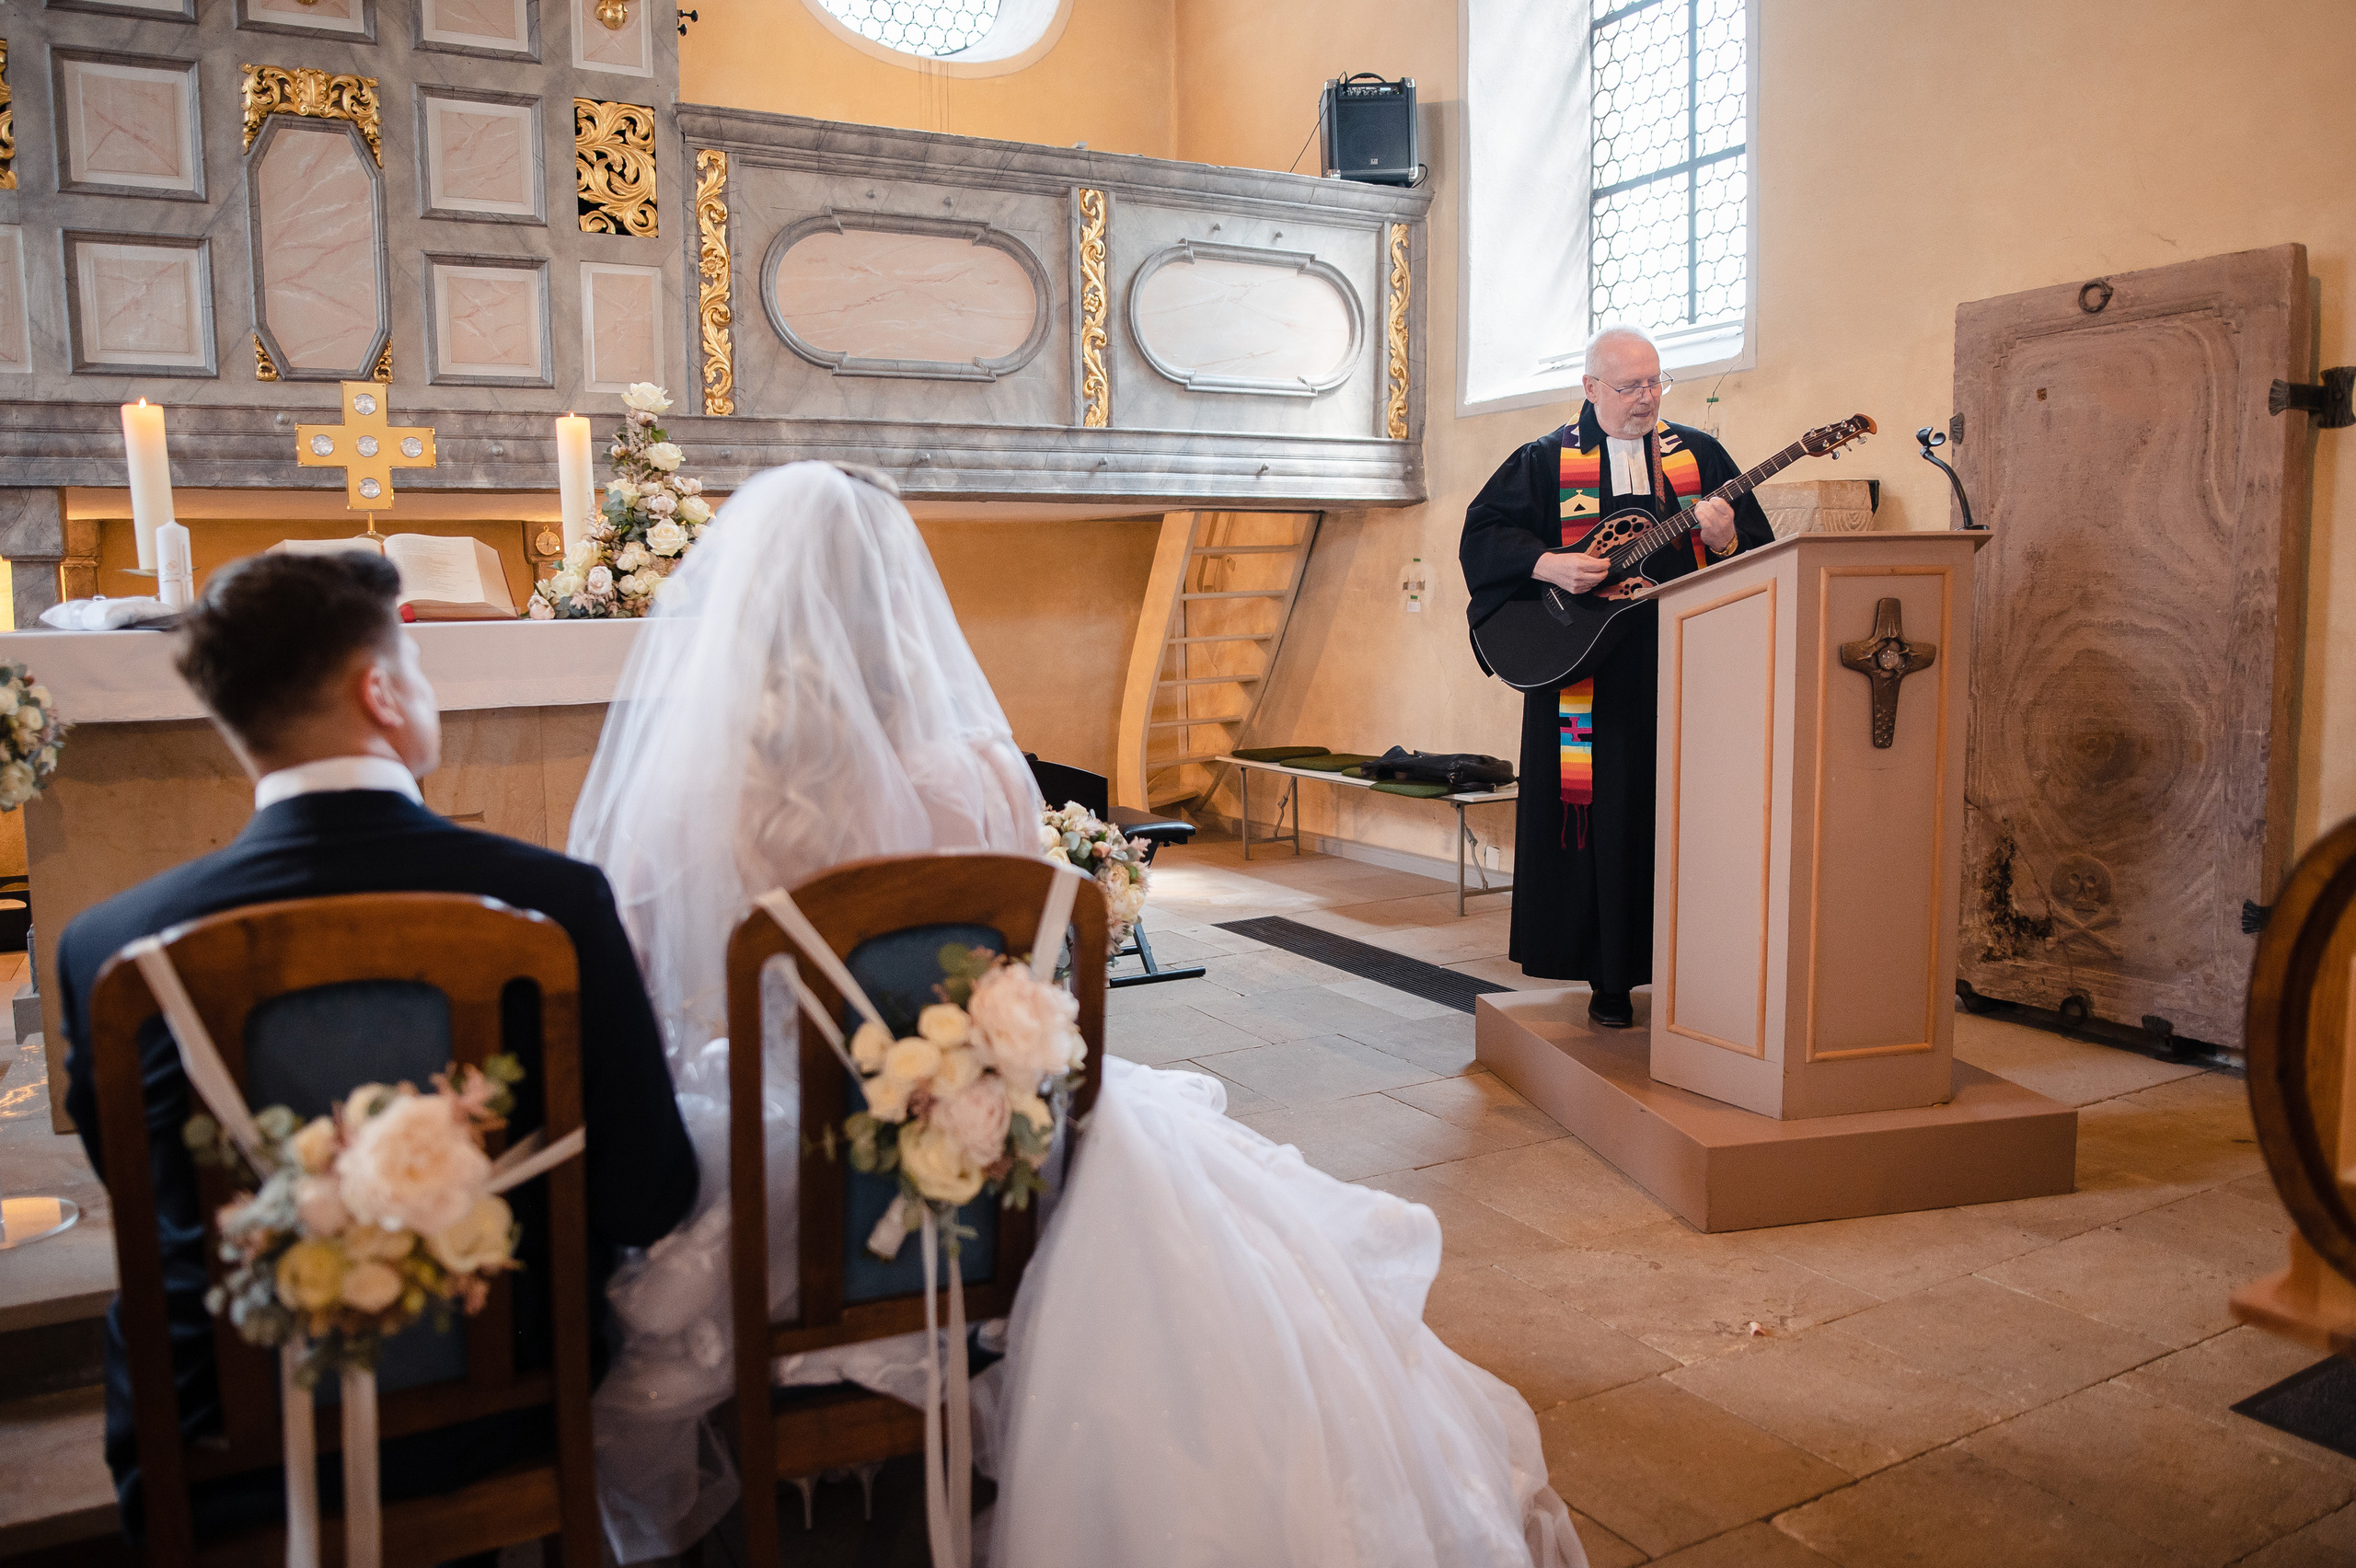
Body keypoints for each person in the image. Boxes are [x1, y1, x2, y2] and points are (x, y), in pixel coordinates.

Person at [571, 461, 1585, 1567]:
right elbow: (1033, 979)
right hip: (992, 1156)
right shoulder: (974, 772)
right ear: (903, 607)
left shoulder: (697, 795)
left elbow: (659, 1013)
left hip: (788, 1175)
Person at [56, 551, 699, 1548]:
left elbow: (146, 1192)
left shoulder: (106, 945)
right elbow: (646, 1192)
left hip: (220, 1423)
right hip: (507, 1406)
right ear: (381, 690)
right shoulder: (556, 902)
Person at [1460, 326, 1773, 1028]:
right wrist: (1548, 563)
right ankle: (1608, 981)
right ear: (1590, 389)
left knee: (1685, 819)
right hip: (1584, 678)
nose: (1646, 399)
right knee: (1601, 823)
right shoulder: (1543, 462)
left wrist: (1727, 539)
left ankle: (1696, 970)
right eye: (1629, 387)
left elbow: (1759, 551)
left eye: (1656, 383)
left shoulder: (1701, 456)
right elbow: (1482, 537)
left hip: (1685, 673)